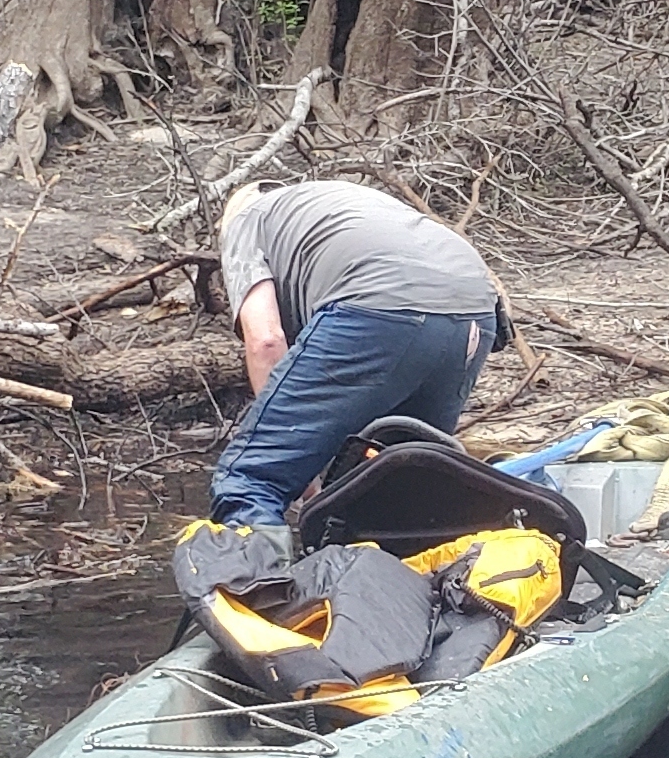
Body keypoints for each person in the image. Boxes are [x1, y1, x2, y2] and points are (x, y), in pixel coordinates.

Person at [211, 179, 506, 526]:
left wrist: (293, 459)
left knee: (251, 480)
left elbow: (266, 341)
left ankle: (255, 578)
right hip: (475, 311)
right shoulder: (338, 202)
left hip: (378, 302)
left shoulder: (245, 220)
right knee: (399, 483)